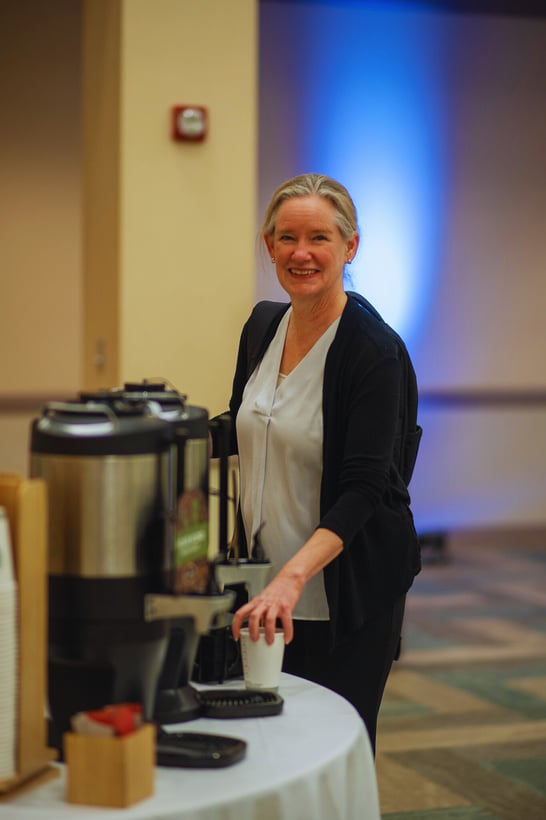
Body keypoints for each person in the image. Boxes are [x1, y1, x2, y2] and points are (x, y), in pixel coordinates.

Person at [215, 173, 421, 753]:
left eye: (319, 238)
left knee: (332, 750)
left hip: (340, 590)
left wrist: (292, 579)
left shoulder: (373, 350)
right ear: (269, 246)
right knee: (266, 744)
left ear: (349, 247)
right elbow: (243, 424)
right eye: (287, 238)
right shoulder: (261, 326)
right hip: (264, 584)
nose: (300, 253)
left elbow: (363, 488)